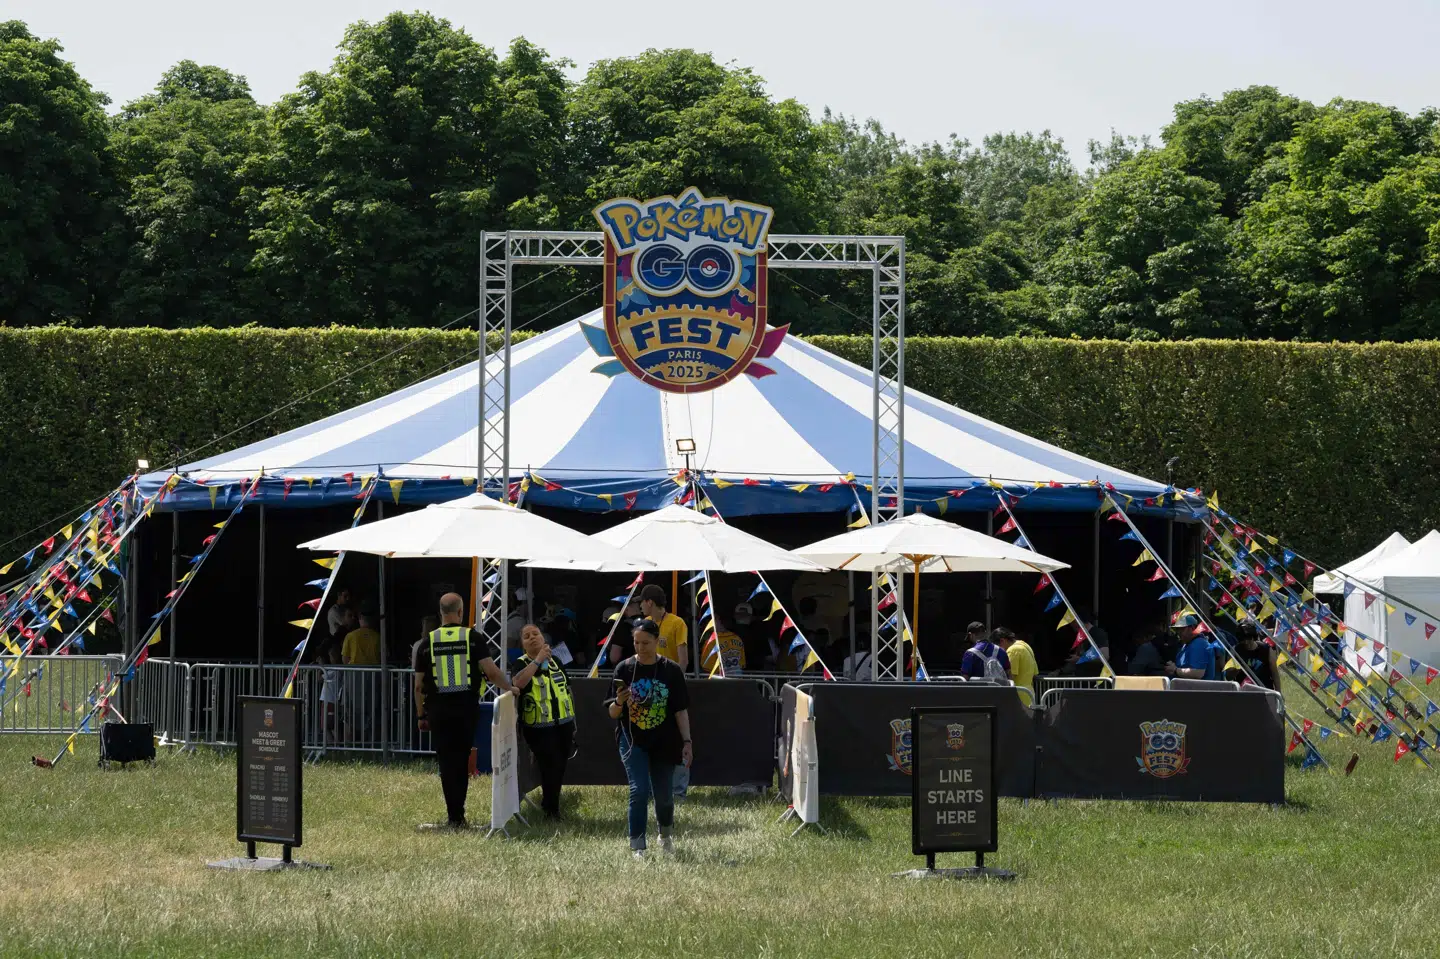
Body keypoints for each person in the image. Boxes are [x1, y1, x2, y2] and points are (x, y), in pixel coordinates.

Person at [414, 593, 509, 829]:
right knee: (461, 759)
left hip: (438, 712)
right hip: (466, 710)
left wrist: (420, 715)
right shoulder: (473, 638)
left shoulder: (427, 642)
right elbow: (492, 671)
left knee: (447, 763)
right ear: (461, 612)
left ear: (440, 613)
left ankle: (453, 816)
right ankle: (459, 815)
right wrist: (511, 688)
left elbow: (418, 685)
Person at [606, 619, 692, 857]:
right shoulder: (623, 669)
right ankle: (637, 846)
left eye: (646, 642)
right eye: (636, 642)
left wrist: (687, 742)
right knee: (639, 790)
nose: (640, 648)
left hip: (665, 741)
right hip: (632, 739)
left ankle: (665, 834)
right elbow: (612, 712)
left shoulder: (671, 670)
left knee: (664, 797)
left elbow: (680, 710)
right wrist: (619, 701)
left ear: (657, 641)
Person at [510, 624, 576, 819]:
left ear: (543, 637)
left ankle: (550, 803)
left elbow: (567, 688)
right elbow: (519, 683)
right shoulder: (520, 663)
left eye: (535, 634)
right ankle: (551, 810)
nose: (532, 638)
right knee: (550, 764)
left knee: (559, 765)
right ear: (522, 644)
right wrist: (537, 660)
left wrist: (575, 720)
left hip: (563, 723)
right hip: (538, 727)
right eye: (526, 636)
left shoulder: (556, 660)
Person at [639, 585, 688, 671]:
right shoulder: (645, 622)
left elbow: (683, 661)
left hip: (669, 678)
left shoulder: (677, 623)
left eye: (642, 602)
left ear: (649, 602)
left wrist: (676, 681)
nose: (640, 605)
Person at [1226, 623, 1279, 689]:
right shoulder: (1235, 651)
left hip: (1264, 690)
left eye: (1248, 639)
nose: (1246, 642)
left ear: (1253, 637)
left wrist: (1278, 691)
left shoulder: (1266, 649)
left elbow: (1275, 674)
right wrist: (1237, 669)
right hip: (1243, 692)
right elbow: (1228, 677)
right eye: (1243, 640)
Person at [993, 628, 1037, 693]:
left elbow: (1011, 676)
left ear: (1002, 641)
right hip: (1029, 693)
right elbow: (1035, 674)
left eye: (998, 646)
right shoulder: (1025, 646)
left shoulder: (1013, 650)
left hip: (1018, 694)